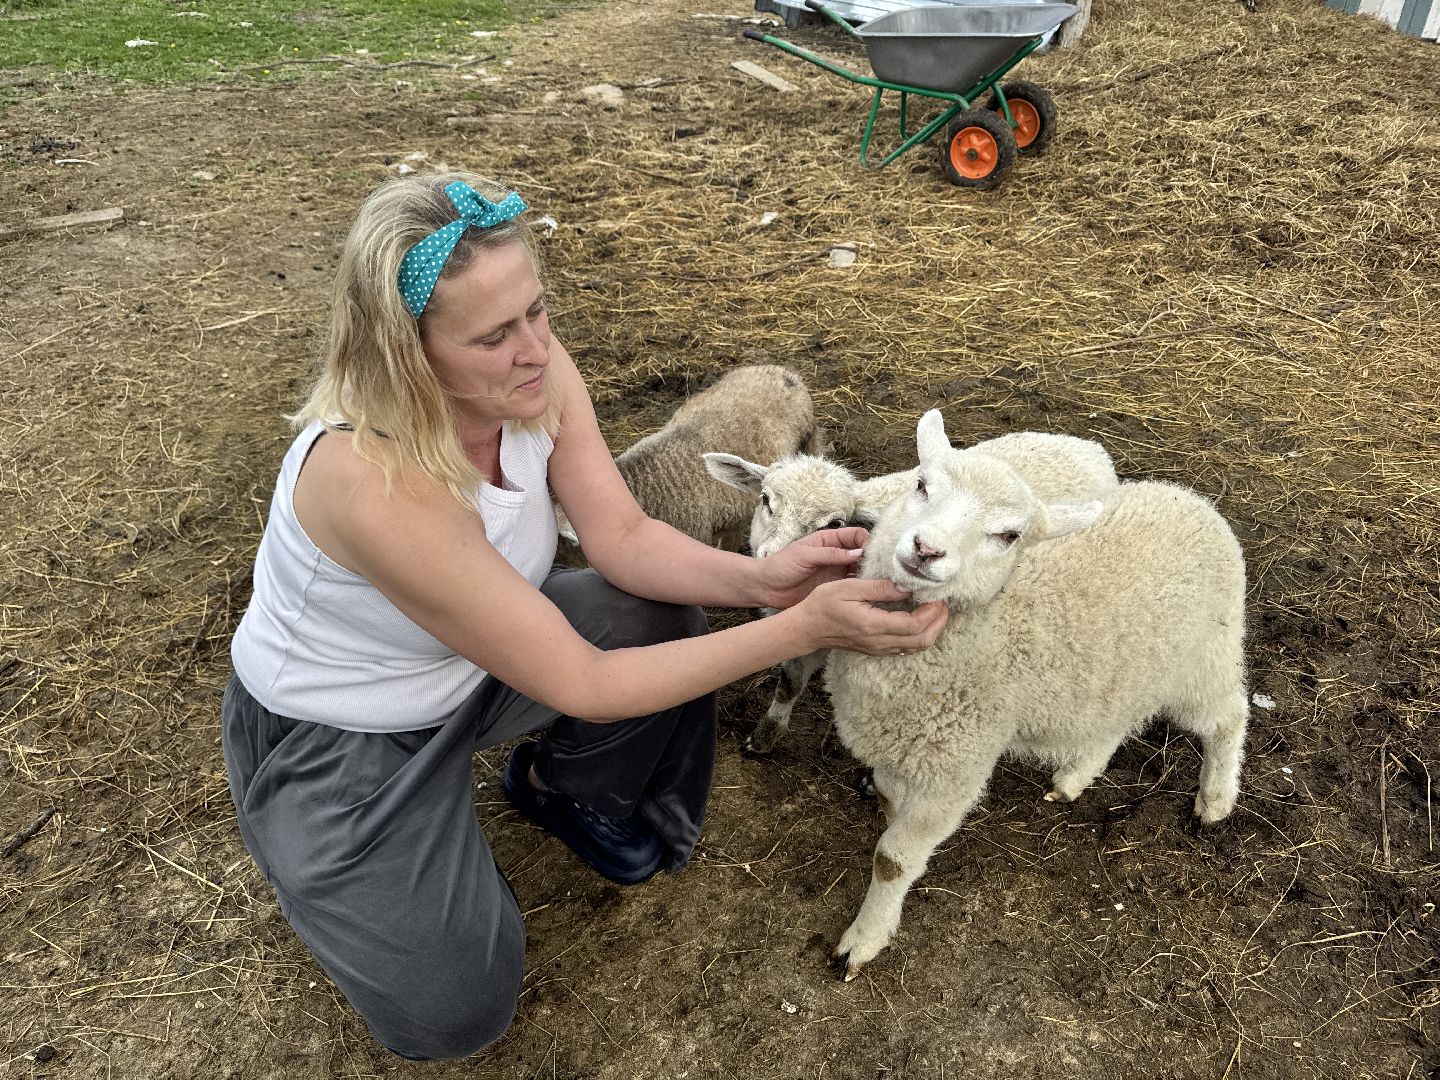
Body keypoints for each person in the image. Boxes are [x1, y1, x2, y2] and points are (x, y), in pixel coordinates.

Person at [221, 171, 948, 1061]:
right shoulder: (372, 479)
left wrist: (769, 582)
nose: (536, 350)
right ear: (407, 354)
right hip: (341, 730)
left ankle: (561, 791)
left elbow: (624, 534)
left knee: (659, 605)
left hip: (475, 664)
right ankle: (316, 851)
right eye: (494, 335)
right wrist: (804, 629)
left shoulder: (533, 377)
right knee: (457, 1015)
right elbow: (585, 681)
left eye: (537, 311)